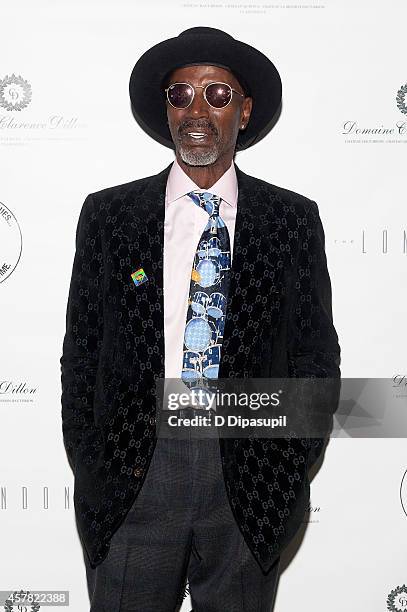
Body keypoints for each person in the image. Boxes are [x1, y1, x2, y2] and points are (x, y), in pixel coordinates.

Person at [60, 26, 341, 611]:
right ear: (166, 111)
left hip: (246, 474)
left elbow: (316, 356)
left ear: (244, 110)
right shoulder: (110, 215)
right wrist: (93, 459)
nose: (196, 111)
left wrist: (286, 463)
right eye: (180, 95)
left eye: (216, 95)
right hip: (135, 472)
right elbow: (82, 350)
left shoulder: (291, 220)